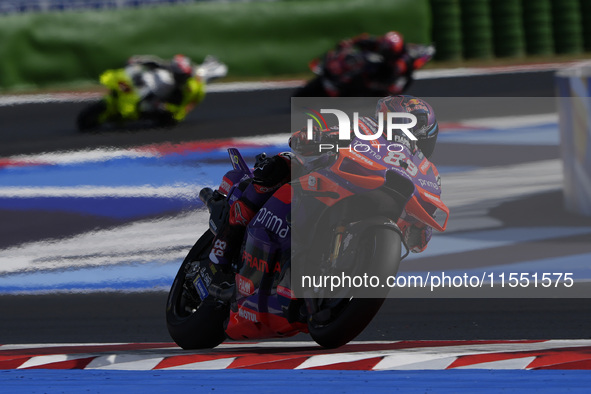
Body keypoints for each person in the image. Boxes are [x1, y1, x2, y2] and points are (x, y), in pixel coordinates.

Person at [209, 95, 440, 265]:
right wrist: (315, 137)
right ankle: (223, 250)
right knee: (278, 166)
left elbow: (422, 232)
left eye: (420, 133)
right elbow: (307, 137)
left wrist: (421, 226)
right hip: (324, 178)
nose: (413, 138)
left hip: (373, 205)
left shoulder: (428, 171)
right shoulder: (364, 127)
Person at [320, 31, 416, 97]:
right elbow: (365, 39)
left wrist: (384, 87)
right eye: (384, 48)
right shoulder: (383, 44)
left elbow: (396, 80)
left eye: (387, 51)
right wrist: (350, 43)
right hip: (379, 64)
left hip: (386, 76)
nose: (384, 50)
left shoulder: (399, 64)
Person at [125, 54, 203, 122]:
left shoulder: (186, 89)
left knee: (153, 109)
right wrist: (139, 60)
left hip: (173, 113)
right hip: (159, 89)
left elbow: (180, 108)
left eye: (178, 74)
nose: (172, 69)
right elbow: (157, 62)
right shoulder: (176, 71)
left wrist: (165, 106)